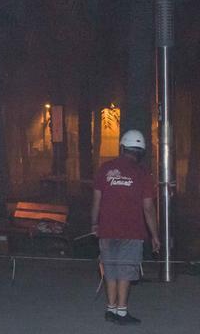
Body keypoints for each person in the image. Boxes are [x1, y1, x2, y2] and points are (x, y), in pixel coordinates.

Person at [91, 130, 161, 325]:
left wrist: (94, 224)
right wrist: (154, 235)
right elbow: (148, 207)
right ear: (141, 152)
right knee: (125, 270)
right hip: (131, 231)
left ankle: (110, 309)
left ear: (122, 147)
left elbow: (97, 200)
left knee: (111, 269)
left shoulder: (105, 169)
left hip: (106, 230)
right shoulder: (143, 174)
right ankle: (121, 312)